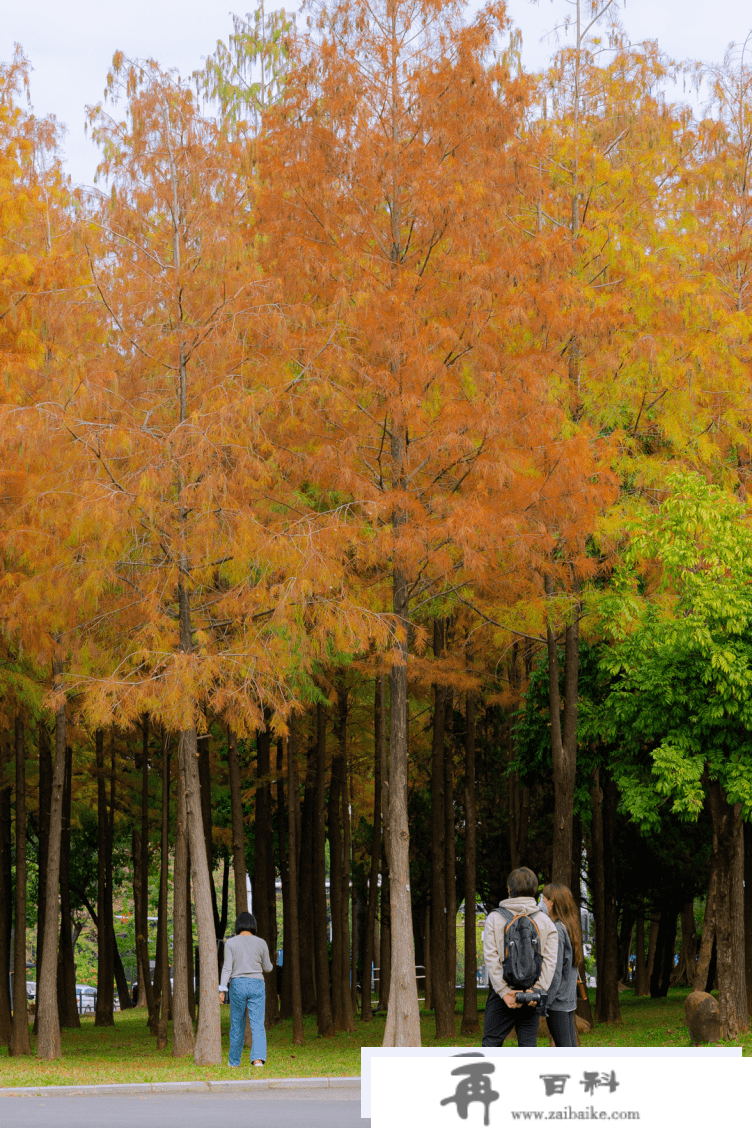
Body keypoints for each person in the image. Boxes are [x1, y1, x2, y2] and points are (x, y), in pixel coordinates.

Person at [482, 866, 559, 1047]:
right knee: (527, 1047)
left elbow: (491, 958)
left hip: (503, 994)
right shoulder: (545, 922)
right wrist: (536, 991)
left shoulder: (494, 918)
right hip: (531, 994)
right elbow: (550, 961)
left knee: (491, 1043)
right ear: (535, 891)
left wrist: (504, 992)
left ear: (509, 889)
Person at [219, 911, 273, 1068]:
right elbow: (268, 968)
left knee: (237, 1023)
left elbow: (227, 969)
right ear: (253, 926)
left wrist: (222, 990)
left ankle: (234, 1062)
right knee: (257, 1023)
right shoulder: (261, 943)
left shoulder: (231, 943)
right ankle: (257, 1060)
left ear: (238, 926)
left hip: (238, 984)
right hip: (257, 983)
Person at [540, 883, 583, 1048]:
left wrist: (546, 1002)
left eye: (544, 898)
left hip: (558, 1002)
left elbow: (555, 972)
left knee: (564, 1049)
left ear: (552, 903)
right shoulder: (570, 926)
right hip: (568, 1000)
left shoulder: (557, 930)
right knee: (569, 1047)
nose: (542, 902)